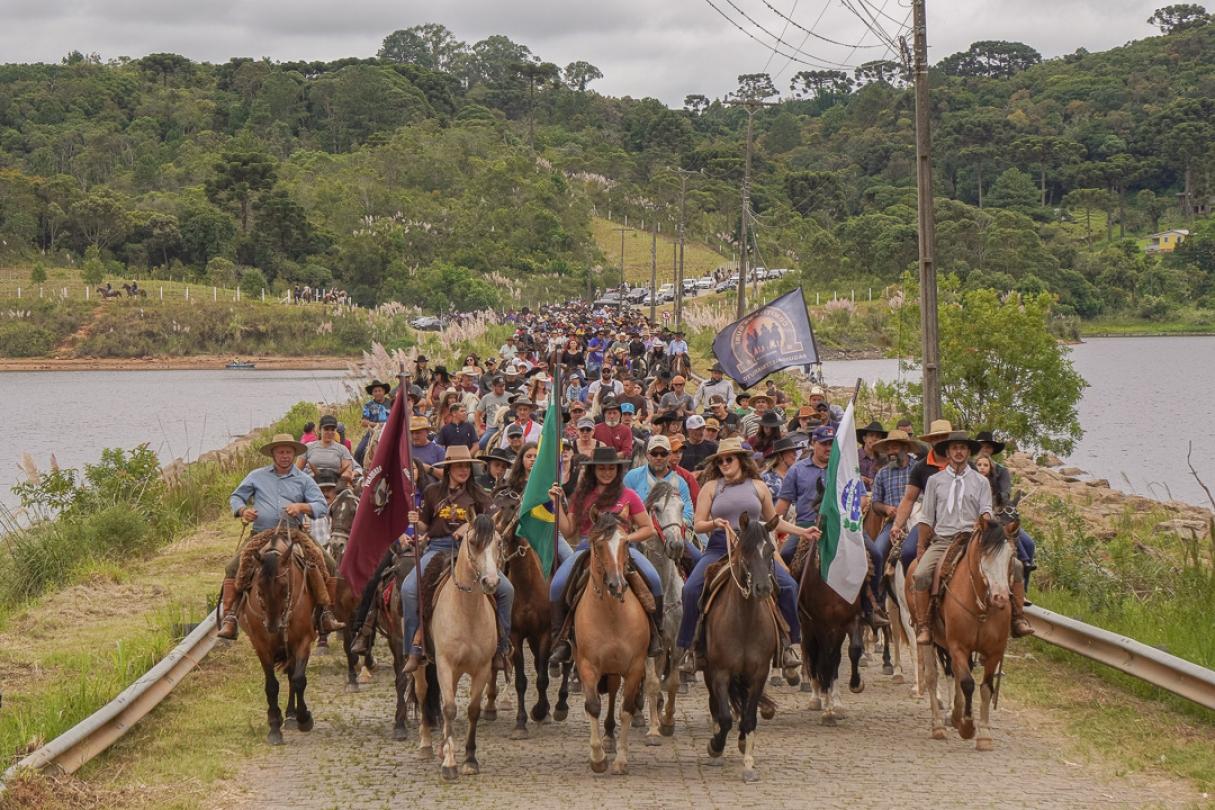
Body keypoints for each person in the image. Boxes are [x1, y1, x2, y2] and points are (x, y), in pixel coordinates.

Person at [676, 437, 817, 675]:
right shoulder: (711, 487)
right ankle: (689, 647)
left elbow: (774, 521)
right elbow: (698, 524)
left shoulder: (758, 486)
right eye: (720, 460)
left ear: (741, 460)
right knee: (690, 589)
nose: (724, 463)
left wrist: (803, 531)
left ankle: (789, 644)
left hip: (755, 546)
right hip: (720, 547)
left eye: (729, 459)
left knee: (789, 586)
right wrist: (715, 523)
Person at [910, 431, 1034, 642]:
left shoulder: (980, 481)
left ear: (968, 452)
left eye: (963, 448)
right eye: (955, 448)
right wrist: (921, 546)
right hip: (944, 539)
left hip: (974, 537)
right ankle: (924, 625)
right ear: (948, 452)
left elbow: (986, 509)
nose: (959, 452)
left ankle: (1017, 617)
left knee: (1017, 567)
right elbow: (927, 516)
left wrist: (985, 523)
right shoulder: (934, 481)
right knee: (921, 575)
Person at [217, 434, 342, 640]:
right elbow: (236, 496)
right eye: (281, 452)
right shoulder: (256, 476)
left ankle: (326, 614)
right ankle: (230, 617)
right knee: (233, 566)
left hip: (294, 533)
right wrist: (242, 510)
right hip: (261, 534)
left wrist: (301, 506)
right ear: (273, 454)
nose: (285, 456)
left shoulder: (304, 479)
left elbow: (321, 506)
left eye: (288, 452)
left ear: (294, 454)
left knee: (327, 562)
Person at [400, 445, 513, 673]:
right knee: (409, 588)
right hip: (438, 548)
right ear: (449, 468)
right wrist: (413, 519)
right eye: (459, 466)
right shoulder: (433, 492)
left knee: (507, 590)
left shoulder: (479, 494)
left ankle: (501, 645)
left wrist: (468, 527)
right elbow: (425, 524)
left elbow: (492, 522)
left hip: (473, 551)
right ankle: (414, 647)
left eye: (467, 466)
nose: (464, 470)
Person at [547, 447, 664, 662]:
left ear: (617, 471)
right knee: (557, 585)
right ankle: (561, 640)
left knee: (654, 580)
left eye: (611, 468)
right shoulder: (581, 496)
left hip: (623, 548)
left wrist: (626, 539)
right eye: (602, 468)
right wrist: (556, 505)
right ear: (594, 471)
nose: (607, 472)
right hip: (587, 547)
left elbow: (648, 528)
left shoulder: (629, 495)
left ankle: (656, 634)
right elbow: (568, 530)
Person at [622, 435, 699, 562]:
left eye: (663, 454)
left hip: (673, 532)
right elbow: (623, 506)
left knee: (697, 559)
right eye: (654, 453)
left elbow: (688, 512)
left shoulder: (680, 482)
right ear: (648, 455)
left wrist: (674, 526)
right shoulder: (632, 477)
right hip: (639, 532)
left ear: (669, 455)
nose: (658, 458)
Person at [867, 429, 920, 608]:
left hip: (918, 520)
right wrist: (886, 508)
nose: (890, 451)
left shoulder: (918, 468)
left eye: (895, 447)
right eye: (888, 448)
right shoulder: (882, 473)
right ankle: (877, 602)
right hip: (892, 523)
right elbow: (875, 503)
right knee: (877, 552)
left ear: (905, 448)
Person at [975, 430, 1036, 581]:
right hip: (974, 516)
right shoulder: (970, 469)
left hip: (998, 514)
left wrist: (1001, 499)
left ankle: (1023, 590)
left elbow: (1005, 493)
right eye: (982, 446)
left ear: (992, 450)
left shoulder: (1001, 471)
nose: (985, 449)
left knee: (1028, 544)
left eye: (988, 447)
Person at [775, 425, 835, 565]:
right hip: (805, 525)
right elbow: (783, 505)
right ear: (813, 443)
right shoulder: (797, 469)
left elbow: (861, 499)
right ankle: (790, 587)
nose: (829, 448)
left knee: (873, 553)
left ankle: (876, 587)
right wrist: (773, 526)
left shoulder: (842, 468)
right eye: (824, 443)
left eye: (832, 444)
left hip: (836, 524)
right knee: (785, 555)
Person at [299, 414, 355, 482]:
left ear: (336, 431)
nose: (330, 432)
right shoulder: (308, 447)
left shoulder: (343, 449)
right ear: (319, 430)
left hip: (334, 484)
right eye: (326, 429)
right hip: (311, 483)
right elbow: (298, 469)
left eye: (332, 429)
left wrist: (341, 481)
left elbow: (347, 471)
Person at [354, 380, 393, 464]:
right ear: (372, 393)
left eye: (380, 390)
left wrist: (386, 426)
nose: (378, 393)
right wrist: (377, 425)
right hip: (373, 432)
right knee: (359, 451)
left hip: (389, 432)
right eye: (375, 391)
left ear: (384, 391)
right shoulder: (368, 405)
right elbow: (364, 422)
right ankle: (358, 471)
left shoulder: (392, 403)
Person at [762, 433, 805, 499]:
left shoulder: (799, 474)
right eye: (791, 451)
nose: (795, 454)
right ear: (780, 456)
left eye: (795, 451)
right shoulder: (766, 477)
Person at [856, 421, 888, 488]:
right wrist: (859, 479)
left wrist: (875, 482)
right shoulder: (854, 456)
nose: (874, 439)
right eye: (871, 435)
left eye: (878, 436)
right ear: (864, 439)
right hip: (857, 495)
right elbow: (847, 476)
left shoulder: (885, 459)